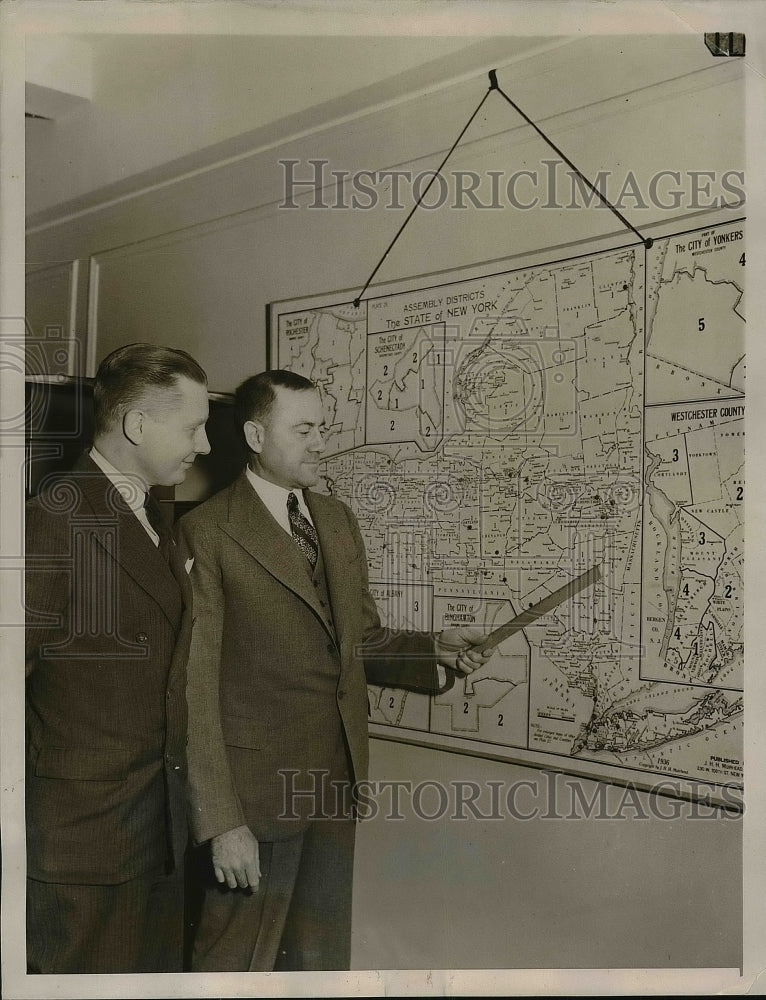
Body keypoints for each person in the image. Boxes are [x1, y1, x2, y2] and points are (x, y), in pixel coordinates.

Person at [177, 369, 493, 972]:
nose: (321, 440)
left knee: (319, 965)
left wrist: (438, 650)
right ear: (254, 434)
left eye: (323, 426)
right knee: (234, 965)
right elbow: (194, 690)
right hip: (254, 801)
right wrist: (222, 822)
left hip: (333, 785)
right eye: (304, 429)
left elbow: (358, 640)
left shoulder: (336, 518)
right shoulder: (206, 532)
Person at [25, 343, 210, 973]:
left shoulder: (154, 513)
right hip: (84, 845)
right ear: (137, 425)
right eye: (192, 427)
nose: (205, 445)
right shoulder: (50, 523)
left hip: (156, 832)